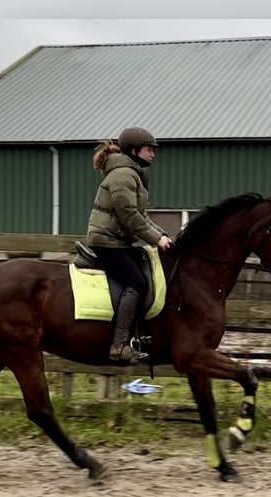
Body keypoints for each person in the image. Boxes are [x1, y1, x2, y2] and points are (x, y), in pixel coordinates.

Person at [85, 126, 174, 364]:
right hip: (106, 242)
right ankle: (119, 345)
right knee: (136, 281)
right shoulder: (123, 175)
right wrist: (156, 239)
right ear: (134, 150)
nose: (152, 154)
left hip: (117, 241)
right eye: (148, 149)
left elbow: (140, 216)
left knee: (146, 266)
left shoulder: (132, 174)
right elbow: (130, 217)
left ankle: (141, 336)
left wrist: (162, 234)